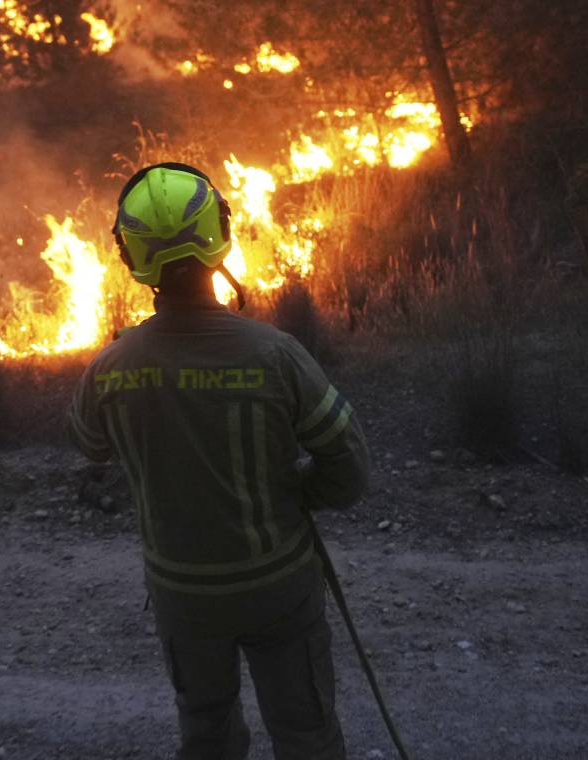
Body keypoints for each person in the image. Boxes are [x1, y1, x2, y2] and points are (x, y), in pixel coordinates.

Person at [66, 162, 371, 760]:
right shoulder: (276, 355)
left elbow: (88, 444)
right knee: (306, 734)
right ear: (221, 235)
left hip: (183, 596)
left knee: (207, 737)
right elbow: (350, 468)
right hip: (278, 586)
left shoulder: (111, 368)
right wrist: (297, 494)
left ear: (130, 257)